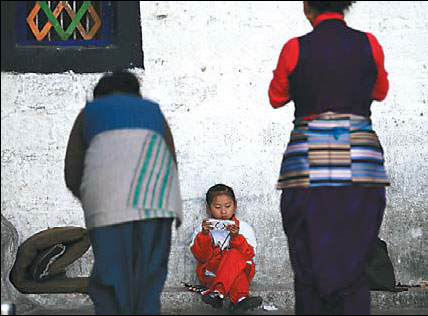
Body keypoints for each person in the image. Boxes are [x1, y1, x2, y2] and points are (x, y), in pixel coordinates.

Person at [269, 1, 389, 315]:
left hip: (306, 163)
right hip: (362, 162)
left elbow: (275, 97)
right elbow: (380, 91)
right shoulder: (369, 44)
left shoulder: (294, 49)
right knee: (354, 258)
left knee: (308, 262)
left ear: (308, 8)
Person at [64, 69, 183, 315]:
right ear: (135, 94)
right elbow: (171, 160)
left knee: (111, 283)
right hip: (157, 203)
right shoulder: (153, 111)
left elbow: (72, 171)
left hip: (107, 203)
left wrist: (94, 201)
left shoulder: (89, 113)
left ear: (100, 95)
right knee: (148, 283)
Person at [190, 184, 263, 313]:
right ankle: (241, 299)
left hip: (240, 271)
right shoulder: (203, 230)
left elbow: (249, 254)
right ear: (208, 208)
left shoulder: (245, 228)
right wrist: (205, 236)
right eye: (217, 207)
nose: (223, 211)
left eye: (227, 206)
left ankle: (218, 294)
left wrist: (236, 237)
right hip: (213, 273)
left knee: (234, 255)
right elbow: (201, 257)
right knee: (230, 263)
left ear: (235, 205)